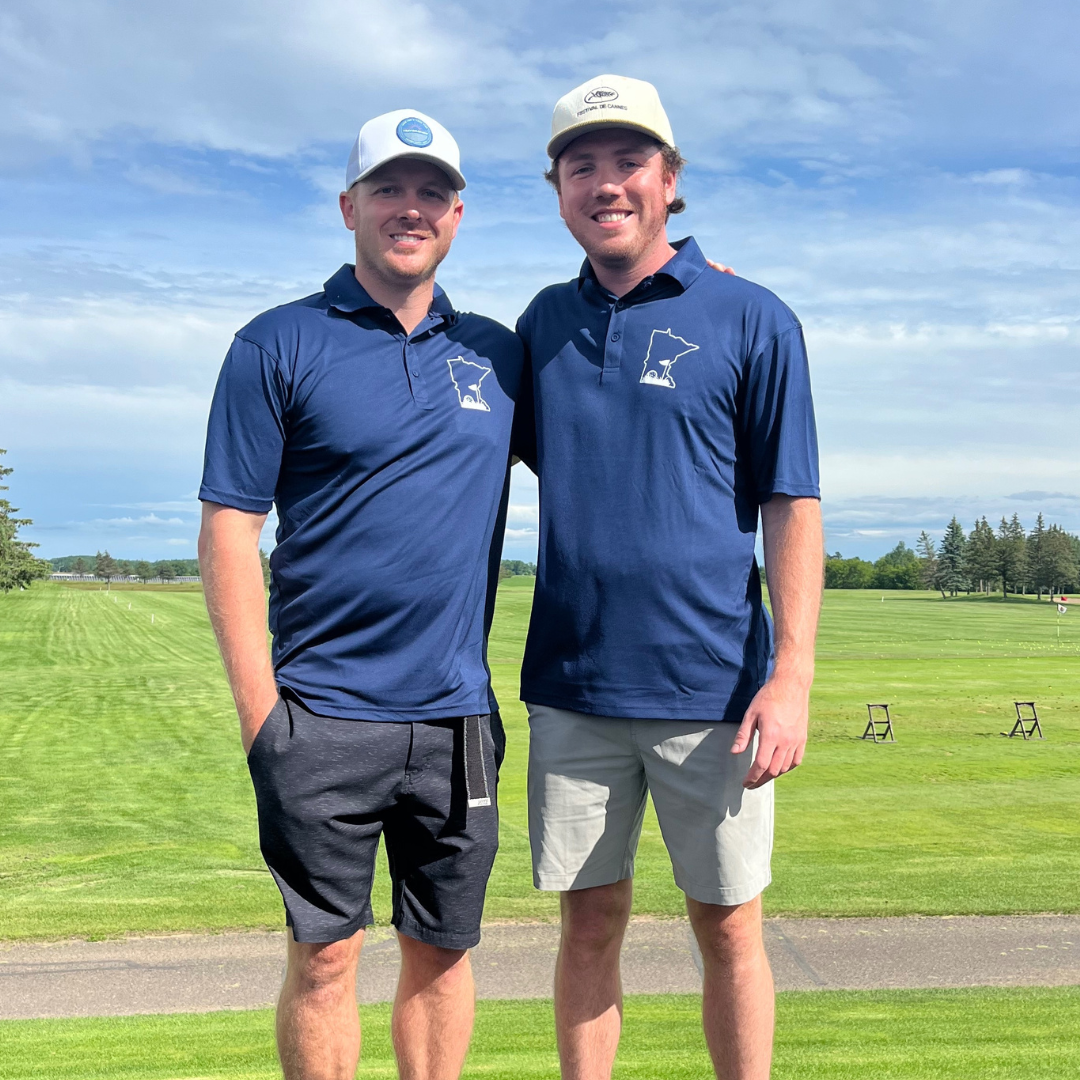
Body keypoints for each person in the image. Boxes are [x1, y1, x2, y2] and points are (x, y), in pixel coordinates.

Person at [197, 109, 524, 1080]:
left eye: (431, 191)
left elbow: (611, 420)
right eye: (388, 187)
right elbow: (228, 529)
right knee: (326, 955)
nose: (410, 207)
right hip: (321, 719)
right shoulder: (278, 343)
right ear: (349, 206)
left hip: (457, 719)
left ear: (459, 214)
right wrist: (265, 720)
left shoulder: (503, 356)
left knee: (441, 951)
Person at [515, 75, 823, 1080]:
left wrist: (793, 678)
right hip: (575, 686)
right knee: (589, 922)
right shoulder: (539, 327)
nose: (606, 183)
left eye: (628, 161)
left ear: (670, 178)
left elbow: (793, 505)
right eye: (582, 164)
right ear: (559, 188)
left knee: (729, 927)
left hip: (716, 692)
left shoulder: (752, 316)